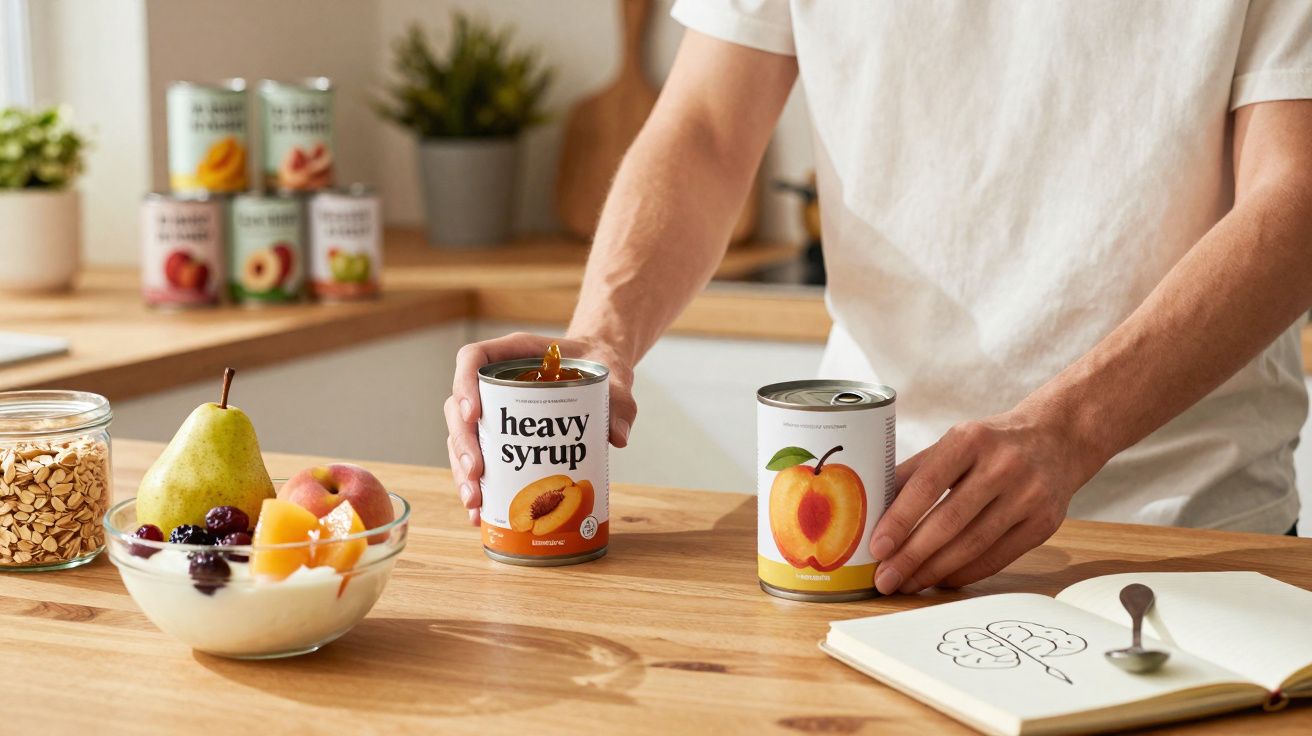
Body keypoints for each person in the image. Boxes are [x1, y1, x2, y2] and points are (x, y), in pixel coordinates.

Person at [446, 1, 1312, 595]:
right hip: (872, 528)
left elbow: (1297, 194)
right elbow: (706, 130)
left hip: (1180, 532)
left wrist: (1071, 430)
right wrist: (601, 336)